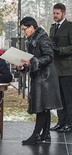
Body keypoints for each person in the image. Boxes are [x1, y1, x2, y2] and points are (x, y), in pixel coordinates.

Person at [17, 17, 62, 145]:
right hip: (41, 77)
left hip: (45, 78)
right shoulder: (33, 40)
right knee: (44, 107)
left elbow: (49, 56)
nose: (24, 32)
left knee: (42, 106)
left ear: (32, 27)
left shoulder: (43, 39)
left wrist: (32, 62)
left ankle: (36, 135)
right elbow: (32, 60)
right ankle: (45, 134)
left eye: (25, 29)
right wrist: (24, 66)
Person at [49, 3, 72, 133]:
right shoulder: (53, 28)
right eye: (54, 13)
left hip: (67, 69)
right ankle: (61, 122)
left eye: (57, 13)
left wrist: (60, 50)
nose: (55, 16)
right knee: (59, 98)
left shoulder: (70, 27)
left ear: (64, 13)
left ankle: (70, 123)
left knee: (69, 98)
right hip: (55, 69)